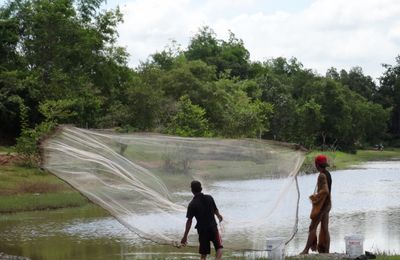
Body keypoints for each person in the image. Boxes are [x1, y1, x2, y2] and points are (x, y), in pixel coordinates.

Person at [181, 180, 223, 260]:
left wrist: (185, 236)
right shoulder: (209, 198)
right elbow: (215, 210)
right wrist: (219, 216)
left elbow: (189, 221)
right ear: (201, 188)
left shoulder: (192, 204)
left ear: (192, 190)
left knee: (203, 254)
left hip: (202, 231)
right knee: (219, 247)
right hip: (213, 228)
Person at [301, 154, 332, 254]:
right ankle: (325, 251)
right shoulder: (327, 173)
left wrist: (316, 197)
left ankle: (306, 250)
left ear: (317, 165)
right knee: (324, 228)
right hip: (327, 204)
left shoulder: (321, 175)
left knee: (312, 227)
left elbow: (325, 191)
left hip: (322, 206)